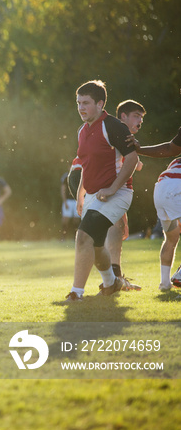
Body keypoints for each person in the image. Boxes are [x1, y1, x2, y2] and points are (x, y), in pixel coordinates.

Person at [64, 80, 137, 302]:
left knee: (83, 236)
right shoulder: (82, 131)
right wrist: (80, 194)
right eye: (78, 103)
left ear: (100, 103)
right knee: (95, 246)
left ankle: (76, 293)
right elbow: (86, 166)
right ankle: (111, 282)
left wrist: (114, 188)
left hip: (119, 193)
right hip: (94, 195)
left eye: (86, 103)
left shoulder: (113, 126)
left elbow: (132, 159)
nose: (81, 108)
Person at [128, 124, 181, 290]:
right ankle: (179, 274)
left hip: (162, 187)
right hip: (178, 187)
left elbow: (170, 148)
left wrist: (139, 149)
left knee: (171, 238)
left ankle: (164, 284)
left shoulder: (175, 161)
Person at [102, 100, 146, 290]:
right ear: (123, 117)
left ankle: (115, 279)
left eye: (141, 117)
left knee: (117, 233)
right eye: (136, 115)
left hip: (116, 193)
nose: (140, 121)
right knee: (109, 235)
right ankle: (110, 281)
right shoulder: (117, 132)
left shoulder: (126, 138)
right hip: (109, 191)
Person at [61, 164, 80, 241]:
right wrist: (65, 201)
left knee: (76, 220)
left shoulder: (79, 176)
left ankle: (74, 237)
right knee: (66, 219)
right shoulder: (65, 177)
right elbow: (63, 190)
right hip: (68, 201)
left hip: (76, 200)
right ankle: (63, 237)